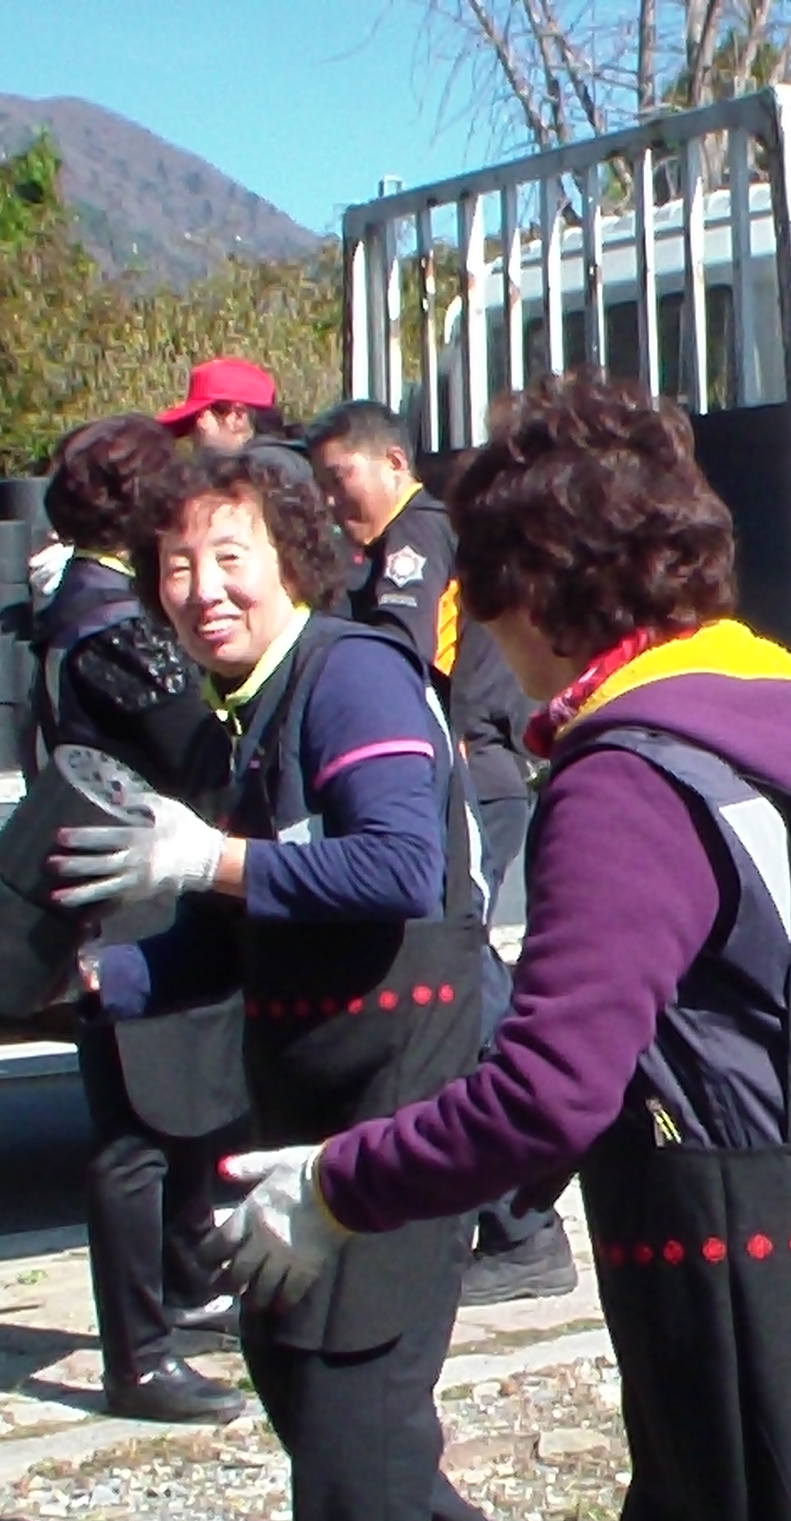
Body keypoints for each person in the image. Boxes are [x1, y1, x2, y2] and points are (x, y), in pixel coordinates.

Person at [207, 372, 791, 1521]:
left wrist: (339, 1187)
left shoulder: (626, 778)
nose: (478, 635)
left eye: (482, 591)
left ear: (541, 588)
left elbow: (550, 1089)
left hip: (762, 1286)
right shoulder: (757, 705)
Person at [56, 447, 516, 1521]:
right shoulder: (240, 712)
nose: (202, 588)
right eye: (175, 566)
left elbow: (398, 867)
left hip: (402, 1103)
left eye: (230, 556)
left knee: (350, 1436)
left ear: (294, 562)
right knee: (292, 1361)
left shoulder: (349, 676)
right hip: (300, 1110)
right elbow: (236, 932)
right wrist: (109, 977)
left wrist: (205, 856)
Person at [304, 398, 568, 1305]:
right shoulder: (386, 549)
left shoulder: (418, 537)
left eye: (340, 478)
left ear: (392, 463)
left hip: (470, 786)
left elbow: (396, 658)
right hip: (468, 781)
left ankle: (524, 1223)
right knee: (461, 992)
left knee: (464, 997)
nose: (331, 500)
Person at [26, 414, 243, 1425]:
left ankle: (190, 1287)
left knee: (180, 1111)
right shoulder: (115, 627)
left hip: (122, 887)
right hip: (136, 895)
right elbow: (198, 747)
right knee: (136, 1136)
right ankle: (138, 1358)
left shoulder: (70, 605)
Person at [159, 357, 292, 454]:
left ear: (238, 416)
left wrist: (211, 452)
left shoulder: (263, 474)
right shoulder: (282, 465)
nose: (194, 435)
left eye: (198, 418)